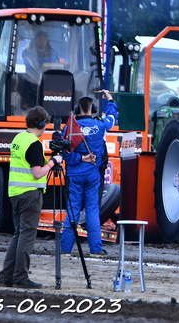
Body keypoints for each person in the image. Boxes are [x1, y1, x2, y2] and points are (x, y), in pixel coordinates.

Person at [0, 106, 63, 289]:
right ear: (42, 124)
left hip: (16, 193)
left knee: (18, 234)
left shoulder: (19, 138)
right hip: (29, 194)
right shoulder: (34, 143)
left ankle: (6, 277)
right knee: (26, 235)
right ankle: (20, 278)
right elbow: (37, 173)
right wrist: (53, 162)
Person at [60, 90, 117, 257]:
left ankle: (65, 249)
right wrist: (110, 100)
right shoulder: (100, 125)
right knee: (92, 211)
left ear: (78, 109)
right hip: (93, 176)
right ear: (94, 109)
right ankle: (96, 249)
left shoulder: (70, 128)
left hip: (74, 175)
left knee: (72, 210)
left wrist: (80, 158)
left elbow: (64, 153)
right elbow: (112, 118)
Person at [20, 31, 60, 109]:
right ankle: (26, 105)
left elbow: (55, 65)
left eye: (44, 39)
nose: (42, 41)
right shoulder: (28, 53)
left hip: (49, 80)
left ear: (47, 41)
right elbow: (29, 65)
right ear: (36, 40)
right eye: (40, 39)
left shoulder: (53, 53)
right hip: (33, 80)